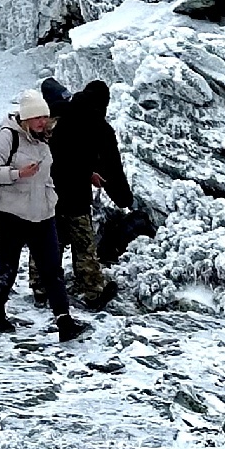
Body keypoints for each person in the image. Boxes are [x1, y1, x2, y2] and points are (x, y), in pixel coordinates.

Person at [0, 88, 87, 341]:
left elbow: (48, 174)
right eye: (38, 117)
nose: (43, 121)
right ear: (26, 117)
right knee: (8, 266)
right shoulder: (6, 137)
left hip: (42, 213)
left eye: (45, 117)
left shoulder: (44, 138)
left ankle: (65, 323)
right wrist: (18, 174)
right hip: (10, 214)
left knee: (52, 269)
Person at [33, 78, 134, 311]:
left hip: (47, 189)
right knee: (83, 244)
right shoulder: (99, 126)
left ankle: (40, 287)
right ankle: (93, 291)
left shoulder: (60, 113)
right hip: (75, 194)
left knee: (48, 239)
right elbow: (112, 167)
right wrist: (124, 199)